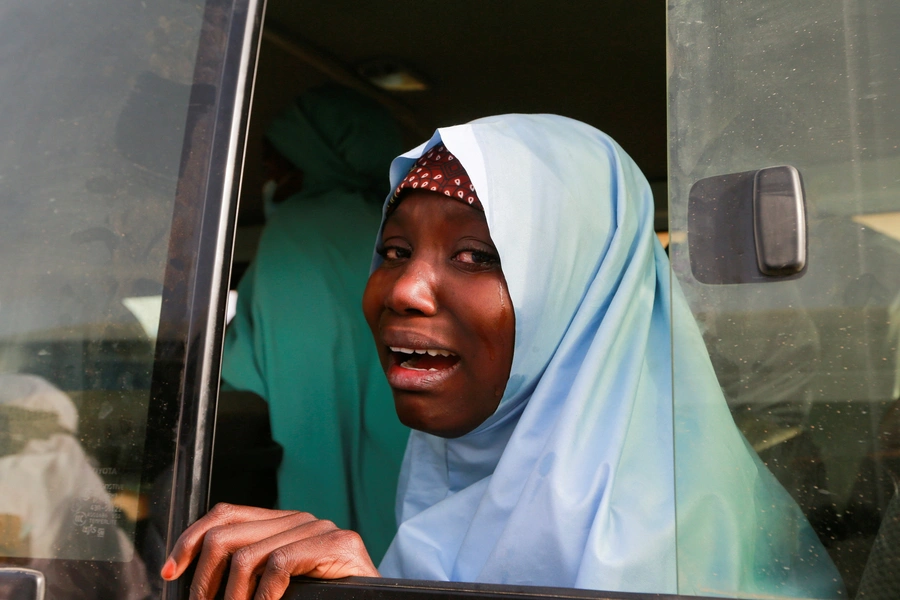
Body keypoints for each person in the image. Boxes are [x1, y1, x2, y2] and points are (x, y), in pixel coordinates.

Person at [165, 115, 843, 599]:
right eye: (395, 253)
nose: (402, 290)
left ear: (578, 295)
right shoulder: (453, 478)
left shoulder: (667, 535)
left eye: (476, 257)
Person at [220, 85, 410, 562]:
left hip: (309, 526)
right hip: (407, 501)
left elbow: (248, 380)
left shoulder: (296, 232)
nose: (270, 174)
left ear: (315, 155)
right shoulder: (398, 232)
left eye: (279, 159)